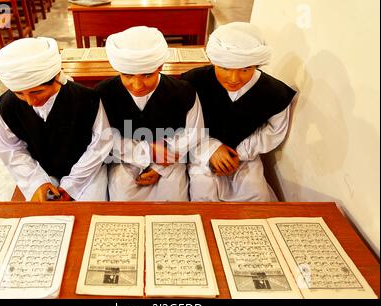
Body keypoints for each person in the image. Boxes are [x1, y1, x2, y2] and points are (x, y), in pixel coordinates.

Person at [181, 22, 297, 201]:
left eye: (245, 69)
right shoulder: (193, 82)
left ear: (256, 65)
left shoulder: (275, 92)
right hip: (201, 152)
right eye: (225, 68)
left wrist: (241, 152)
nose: (234, 79)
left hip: (246, 157)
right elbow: (181, 123)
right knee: (204, 193)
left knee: (256, 194)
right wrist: (210, 148)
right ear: (214, 62)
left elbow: (274, 131)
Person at [0, 37, 112, 201]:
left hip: (87, 173)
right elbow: (10, 148)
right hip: (41, 171)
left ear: (57, 78)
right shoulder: (8, 105)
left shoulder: (86, 99)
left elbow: (100, 145)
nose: (30, 102)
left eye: (37, 92)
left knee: (90, 210)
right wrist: (37, 182)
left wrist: (72, 184)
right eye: (19, 93)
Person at [96, 26, 204, 201]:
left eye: (147, 75)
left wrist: (160, 167)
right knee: (123, 201)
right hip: (124, 161)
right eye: (128, 75)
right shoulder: (104, 93)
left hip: (171, 161)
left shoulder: (183, 92)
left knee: (174, 202)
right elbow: (102, 138)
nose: (137, 85)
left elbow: (192, 134)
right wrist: (146, 151)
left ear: (160, 66)